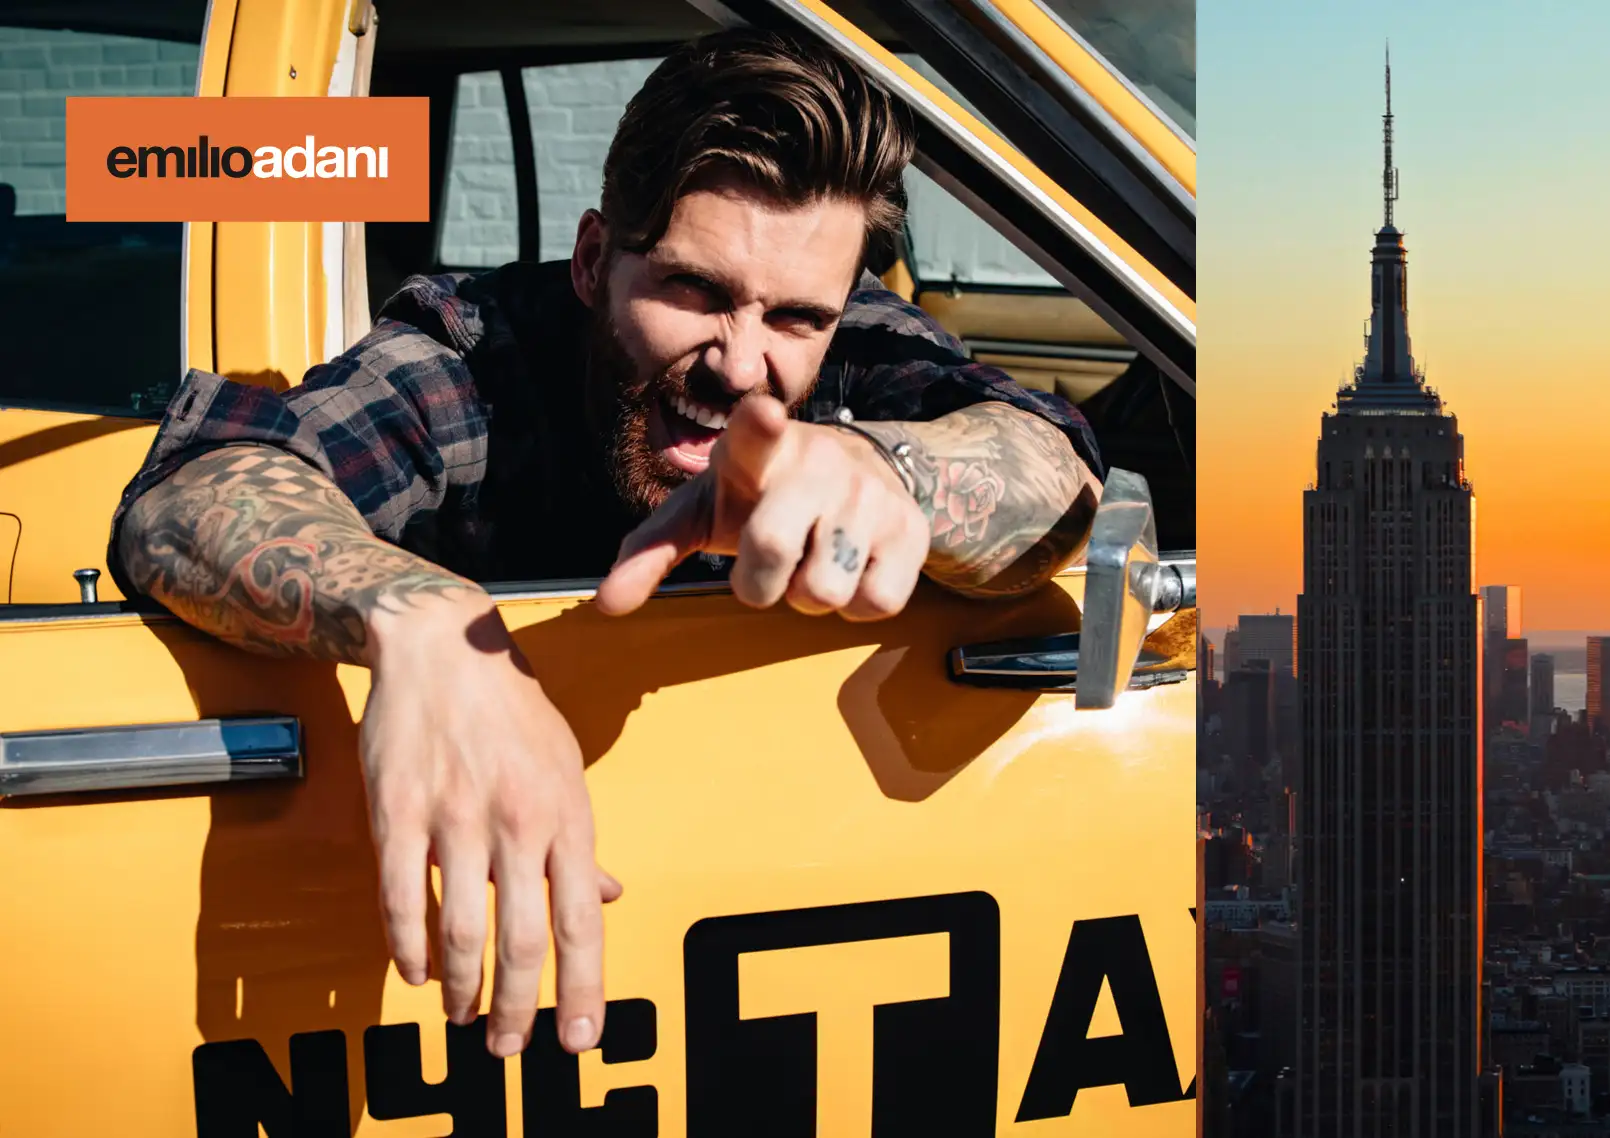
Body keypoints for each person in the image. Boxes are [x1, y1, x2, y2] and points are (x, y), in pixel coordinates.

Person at [109, 27, 1103, 1062]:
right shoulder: (472, 360)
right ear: (593, 260)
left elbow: (1051, 464)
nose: (741, 365)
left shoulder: (846, 340)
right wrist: (421, 619)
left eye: (795, 318)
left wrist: (889, 473)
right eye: (694, 293)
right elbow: (197, 487)